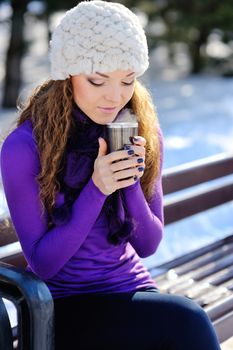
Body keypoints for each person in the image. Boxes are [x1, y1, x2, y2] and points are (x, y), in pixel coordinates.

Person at [0, 1, 221, 349]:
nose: (115, 97)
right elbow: (43, 264)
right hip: (62, 306)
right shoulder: (24, 147)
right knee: (186, 321)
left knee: (182, 324)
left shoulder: (142, 131)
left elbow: (147, 245)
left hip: (132, 289)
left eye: (127, 80)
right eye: (98, 80)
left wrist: (129, 179)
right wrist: (97, 188)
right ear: (67, 74)